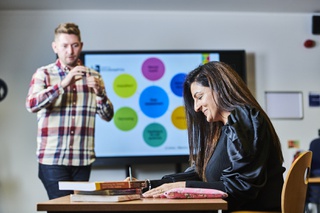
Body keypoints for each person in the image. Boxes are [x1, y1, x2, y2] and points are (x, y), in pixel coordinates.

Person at [139, 61, 285, 212]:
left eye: (200, 97)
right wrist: (148, 185)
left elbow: (240, 188)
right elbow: (200, 173)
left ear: (219, 89)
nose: (196, 107)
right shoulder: (222, 130)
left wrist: (182, 188)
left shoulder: (245, 120)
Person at [25, 22, 114, 200]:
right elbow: (32, 105)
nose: (70, 51)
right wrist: (64, 84)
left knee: (78, 209)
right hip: (53, 160)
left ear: (80, 46)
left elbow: (108, 116)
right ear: (55, 47)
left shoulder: (94, 76)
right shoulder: (44, 74)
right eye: (65, 46)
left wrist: (100, 93)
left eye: (74, 45)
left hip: (83, 159)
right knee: (61, 208)